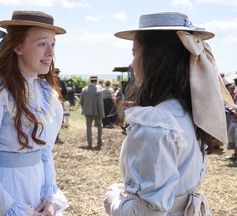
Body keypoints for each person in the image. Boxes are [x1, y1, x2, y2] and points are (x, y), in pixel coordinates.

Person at [103, 12, 235, 215]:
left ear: (154, 58)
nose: (132, 64)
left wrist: (113, 201)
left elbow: (149, 211)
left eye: (135, 53)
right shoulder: (191, 113)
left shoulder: (158, 123)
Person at [0, 10, 68, 216]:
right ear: (17, 46)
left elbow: (45, 153)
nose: (50, 53)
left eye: (53, 44)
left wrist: (50, 198)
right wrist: (13, 209)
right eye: (42, 43)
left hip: (37, 193)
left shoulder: (47, 95)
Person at [80, 76, 105, 150]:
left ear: (90, 80)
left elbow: (81, 101)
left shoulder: (84, 90)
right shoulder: (99, 90)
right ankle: (99, 141)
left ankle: (89, 143)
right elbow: (100, 104)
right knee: (100, 126)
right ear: (96, 81)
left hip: (87, 111)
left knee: (88, 128)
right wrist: (102, 114)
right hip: (97, 112)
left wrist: (85, 108)